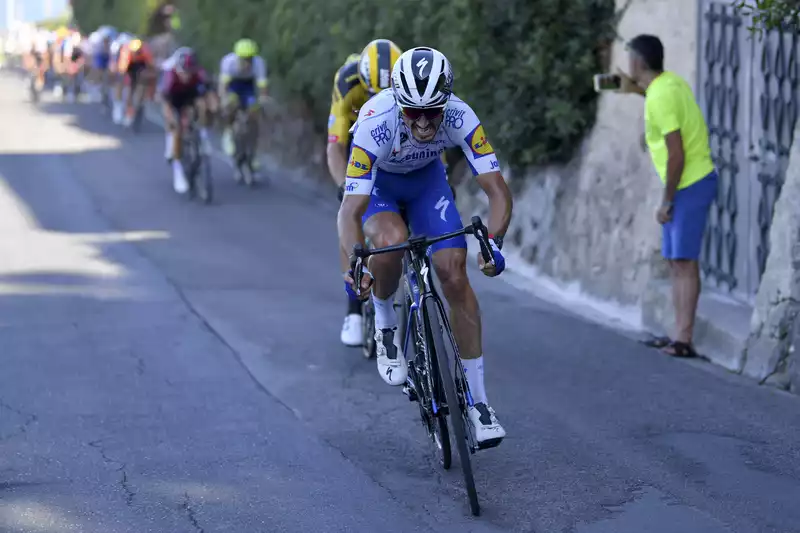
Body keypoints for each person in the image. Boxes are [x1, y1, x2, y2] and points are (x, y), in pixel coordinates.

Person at [338, 47, 512, 446]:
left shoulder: (460, 115)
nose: (421, 122)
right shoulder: (374, 123)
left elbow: (497, 191)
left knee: (454, 271)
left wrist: (495, 242)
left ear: (445, 101)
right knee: (391, 242)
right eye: (411, 112)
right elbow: (349, 213)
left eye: (431, 112)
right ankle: (384, 319)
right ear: (398, 102)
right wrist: (355, 263)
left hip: (427, 182)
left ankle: (479, 404)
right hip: (381, 185)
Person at [616, 34, 718, 358]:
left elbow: (677, 154)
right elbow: (658, 98)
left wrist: (667, 201)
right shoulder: (668, 84)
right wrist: (636, 90)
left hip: (690, 183)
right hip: (689, 182)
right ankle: (678, 333)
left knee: (684, 263)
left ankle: (684, 339)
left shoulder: (660, 97)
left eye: (630, 56)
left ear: (637, 62)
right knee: (676, 261)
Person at [327, 39, 403, 347]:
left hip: (396, 142)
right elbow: (335, 145)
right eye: (374, 94)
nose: (379, 100)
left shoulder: (405, 77)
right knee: (351, 215)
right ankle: (353, 310)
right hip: (358, 144)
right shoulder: (347, 83)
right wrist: (343, 187)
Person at [159, 47, 213, 194]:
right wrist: (171, 121)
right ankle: (177, 169)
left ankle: (202, 134)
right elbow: (166, 105)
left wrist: (210, 110)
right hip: (174, 97)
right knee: (176, 128)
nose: (187, 76)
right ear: (177, 68)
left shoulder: (199, 74)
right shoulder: (169, 76)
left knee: (202, 106)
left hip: (190, 95)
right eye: (184, 72)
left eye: (190, 72)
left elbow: (207, 96)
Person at [218, 39, 268, 163]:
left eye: (249, 59)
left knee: (254, 110)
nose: (247, 62)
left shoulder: (259, 63)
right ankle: (228, 132)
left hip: (248, 86)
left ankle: (253, 149)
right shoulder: (228, 62)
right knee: (230, 104)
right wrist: (224, 99)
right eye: (243, 59)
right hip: (233, 85)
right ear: (237, 57)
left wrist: (262, 99)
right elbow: (223, 86)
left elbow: (263, 87)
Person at [114, 37, 155, 126]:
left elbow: (151, 67)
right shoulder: (126, 52)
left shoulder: (145, 51)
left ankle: (139, 101)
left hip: (141, 66)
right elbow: (122, 71)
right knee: (128, 89)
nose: (136, 54)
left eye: (138, 52)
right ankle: (126, 110)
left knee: (142, 83)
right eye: (135, 52)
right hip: (130, 68)